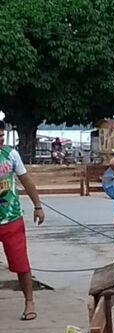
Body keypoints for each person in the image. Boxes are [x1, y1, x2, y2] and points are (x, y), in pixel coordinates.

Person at [0, 121, 45, 321]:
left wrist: (38, 206)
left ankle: (29, 302)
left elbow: (26, 181)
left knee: (21, 263)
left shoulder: (11, 154)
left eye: (2, 136)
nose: (0, 140)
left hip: (12, 218)